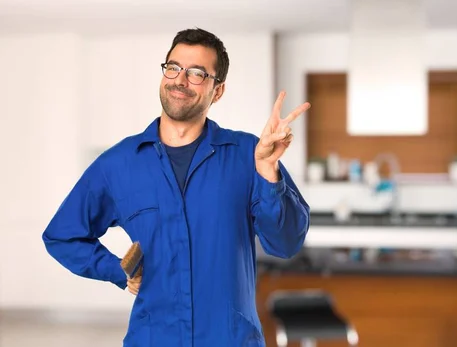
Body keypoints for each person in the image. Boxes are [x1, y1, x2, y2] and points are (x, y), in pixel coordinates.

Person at [42, 27, 311, 346]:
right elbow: (62, 235)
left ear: (218, 90)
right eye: (173, 67)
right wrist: (118, 271)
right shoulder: (119, 164)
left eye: (197, 73)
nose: (180, 80)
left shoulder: (249, 156)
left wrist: (268, 172)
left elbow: (286, 244)